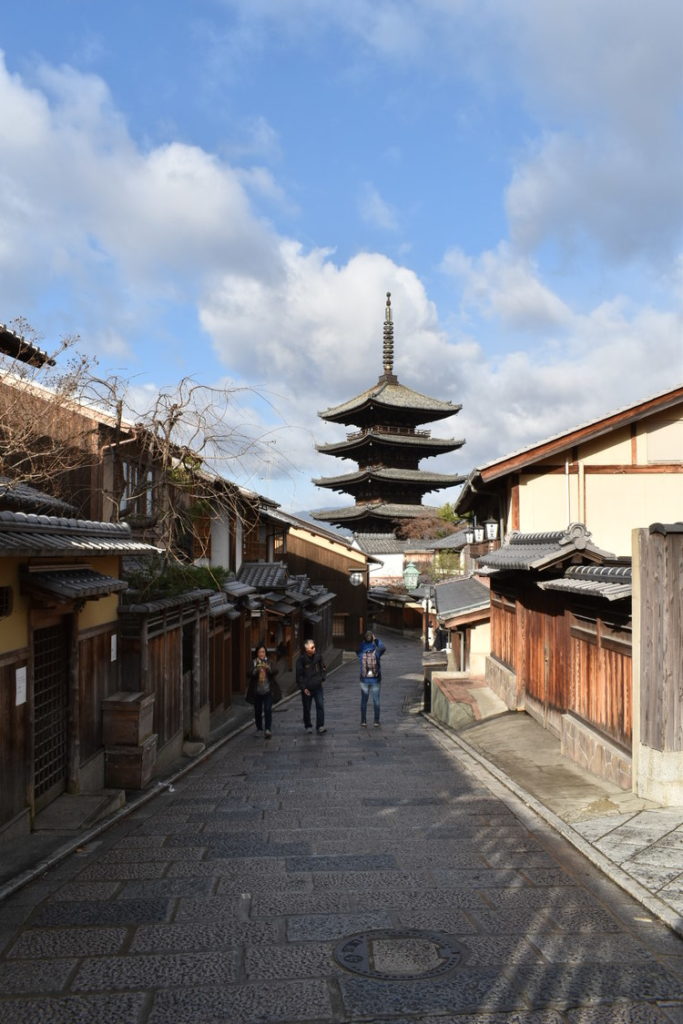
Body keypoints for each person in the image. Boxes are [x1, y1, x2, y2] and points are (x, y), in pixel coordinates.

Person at [246, 644, 281, 739]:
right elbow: (248, 673)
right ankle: (259, 728)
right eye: (259, 652)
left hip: (268, 690)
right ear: (256, 653)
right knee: (257, 711)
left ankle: (268, 729)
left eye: (263, 652)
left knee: (267, 709)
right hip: (257, 691)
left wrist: (268, 669)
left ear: (265, 653)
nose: (261, 654)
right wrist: (256, 670)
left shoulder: (269, 662)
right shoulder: (253, 662)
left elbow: (275, 670)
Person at [295, 638, 327, 733]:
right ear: (307, 649)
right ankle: (308, 726)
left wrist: (322, 678)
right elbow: (299, 675)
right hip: (307, 688)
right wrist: (303, 687)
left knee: (320, 705)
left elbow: (323, 668)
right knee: (306, 707)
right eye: (312, 647)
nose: (314, 648)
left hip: (317, 686)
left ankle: (320, 726)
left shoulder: (318, 656)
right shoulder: (301, 660)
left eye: (314, 646)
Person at [357, 630, 386, 728]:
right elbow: (383, 647)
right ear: (372, 638)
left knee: (364, 700)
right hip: (375, 679)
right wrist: (376, 639)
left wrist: (363, 641)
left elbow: (357, 649)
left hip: (364, 679)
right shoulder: (376, 650)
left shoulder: (361, 650)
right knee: (376, 700)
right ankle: (376, 721)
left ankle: (363, 721)